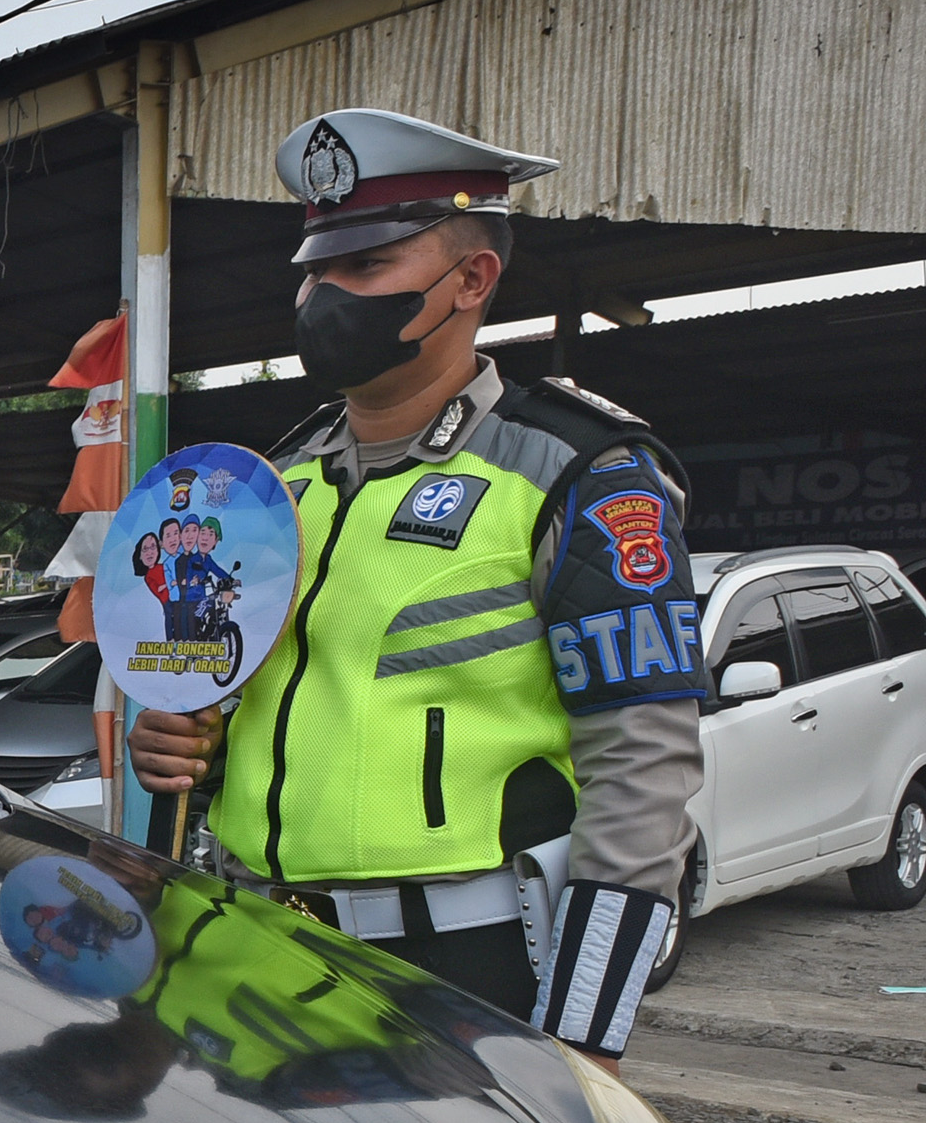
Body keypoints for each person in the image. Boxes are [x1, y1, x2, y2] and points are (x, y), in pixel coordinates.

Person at [128, 109, 703, 1059]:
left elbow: (642, 774)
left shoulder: (578, 471)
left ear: (472, 279)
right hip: (257, 957)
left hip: (467, 976)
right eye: (314, 270)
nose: (321, 297)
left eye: (363, 268)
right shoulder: (272, 486)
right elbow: (241, 699)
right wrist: (184, 733)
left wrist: (583, 1045)